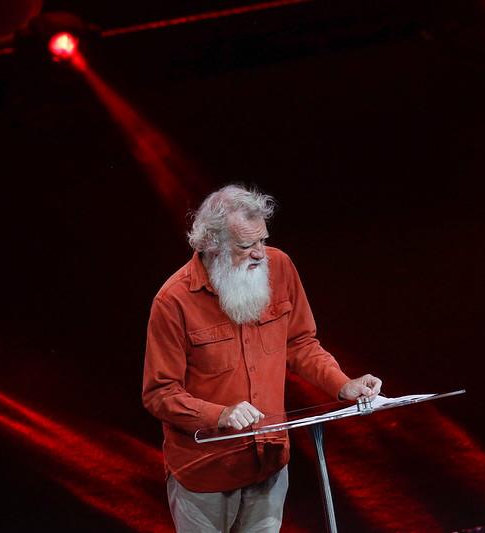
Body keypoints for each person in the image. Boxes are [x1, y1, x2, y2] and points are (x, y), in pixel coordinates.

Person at [142, 184, 382, 532]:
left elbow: (301, 344)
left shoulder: (281, 268)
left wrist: (343, 384)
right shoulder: (173, 301)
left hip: (268, 465)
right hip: (204, 476)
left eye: (262, 241)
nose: (259, 254)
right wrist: (220, 414)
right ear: (213, 246)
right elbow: (159, 393)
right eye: (245, 246)